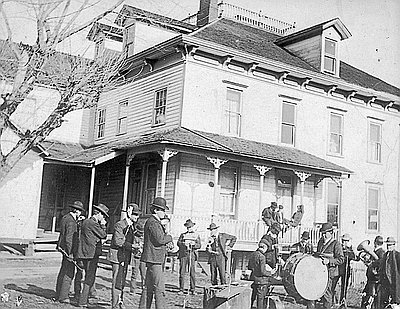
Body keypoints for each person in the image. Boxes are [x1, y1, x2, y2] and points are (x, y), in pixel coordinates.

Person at [139, 197, 173, 309]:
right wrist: (169, 237)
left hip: (151, 259)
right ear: (155, 210)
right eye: (162, 210)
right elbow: (160, 240)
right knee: (159, 289)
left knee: (148, 287)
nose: (164, 213)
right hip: (155, 260)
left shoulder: (153, 222)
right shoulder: (154, 223)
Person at [76, 203, 108, 308]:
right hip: (91, 254)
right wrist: (103, 225)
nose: (103, 218)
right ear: (98, 213)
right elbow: (103, 235)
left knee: (87, 276)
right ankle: (83, 301)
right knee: (89, 278)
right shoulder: (93, 223)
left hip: (84, 253)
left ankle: (84, 298)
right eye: (103, 215)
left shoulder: (86, 221)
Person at [107, 203, 139, 309]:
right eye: (135, 214)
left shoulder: (132, 226)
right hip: (117, 256)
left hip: (125, 256)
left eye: (138, 215)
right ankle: (115, 305)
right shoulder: (120, 224)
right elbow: (118, 241)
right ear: (129, 213)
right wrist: (132, 246)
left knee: (122, 280)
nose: (136, 217)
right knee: (117, 280)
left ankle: (120, 302)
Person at [307, 222, 344, 309]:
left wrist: (329, 261)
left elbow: (341, 259)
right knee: (315, 292)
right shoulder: (320, 242)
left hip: (331, 273)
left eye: (325, 233)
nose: (323, 235)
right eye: (322, 233)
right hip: (320, 272)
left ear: (331, 233)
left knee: (327, 295)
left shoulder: (336, 244)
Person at [55, 201, 85, 304]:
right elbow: (69, 238)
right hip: (69, 251)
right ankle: (63, 296)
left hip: (62, 248)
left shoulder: (66, 217)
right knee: (69, 273)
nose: (80, 213)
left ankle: (58, 293)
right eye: (80, 211)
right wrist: (71, 253)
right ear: (76, 210)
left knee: (63, 271)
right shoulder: (72, 222)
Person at [248, 239, 275, 309]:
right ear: (264, 247)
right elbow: (262, 271)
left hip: (253, 279)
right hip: (261, 281)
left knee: (253, 297)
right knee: (260, 300)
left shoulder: (252, 254)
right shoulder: (262, 257)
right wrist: (270, 273)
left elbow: (249, 267)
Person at [177, 219, 201, 295]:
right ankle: (181, 289)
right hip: (183, 255)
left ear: (193, 227)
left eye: (190, 227)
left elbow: (199, 245)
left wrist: (193, 245)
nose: (189, 228)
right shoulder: (183, 235)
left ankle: (193, 289)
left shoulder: (196, 235)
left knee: (192, 272)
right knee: (182, 272)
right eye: (188, 227)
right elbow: (178, 243)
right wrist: (184, 244)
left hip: (192, 254)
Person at [361, 235, 385, 309]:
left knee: (372, 300)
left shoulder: (380, 252)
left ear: (375, 243)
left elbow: (379, 265)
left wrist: (370, 264)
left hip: (374, 280)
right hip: (372, 279)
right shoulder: (377, 251)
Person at [332, 233, 355, 305]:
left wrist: (349, 251)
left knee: (344, 286)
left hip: (346, 270)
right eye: (343, 240)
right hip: (337, 269)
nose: (344, 242)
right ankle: (332, 301)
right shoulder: (339, 247)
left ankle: (342, 300)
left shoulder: (350, 250)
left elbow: (354, 257)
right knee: (333, 285)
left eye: (346, 241)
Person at [379, 236, 400, 308]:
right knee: (385, 303)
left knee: (395, 304)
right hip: (385, 283)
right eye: (388, 245)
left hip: (394, 283)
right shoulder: (385, 255)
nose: (389, 246)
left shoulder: (398, 255)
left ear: (394, 245)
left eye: (390, 245)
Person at [130, 223, 146, 294]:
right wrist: (137, 247)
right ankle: (132, 290)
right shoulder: (134, 236)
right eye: (140, 232)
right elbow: (132, 246)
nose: (141, 234)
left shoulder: (146, 236)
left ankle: (144, 290)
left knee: (144, 275)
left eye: (142, 233)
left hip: (143, 258)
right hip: (136, 257)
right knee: (134, 274)